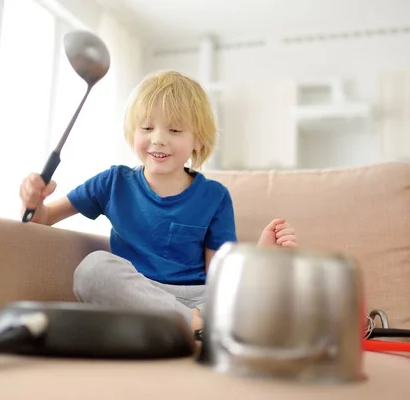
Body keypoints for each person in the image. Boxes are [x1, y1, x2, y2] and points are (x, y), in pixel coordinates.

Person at [19, 70, 298, 333]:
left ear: (198, 141)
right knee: (93, 269)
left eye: (175, 131)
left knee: (258, 295)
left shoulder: (215, 196)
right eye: (147, 127)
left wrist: (262, 257)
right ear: (133, 132)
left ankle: (190, 324)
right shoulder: (112, 182)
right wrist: (33, 201)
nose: (159, 139)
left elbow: (220, 277)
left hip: (199, 299)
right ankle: (193, 326)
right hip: (139, 295)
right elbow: (40, 219)